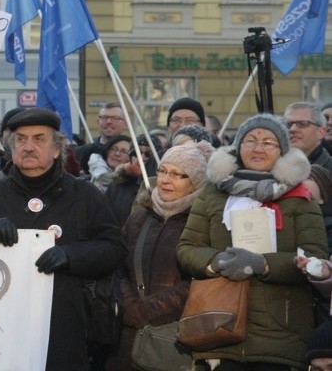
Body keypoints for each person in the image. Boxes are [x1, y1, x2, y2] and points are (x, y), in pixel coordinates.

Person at [0, 108, 126, 370]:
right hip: (0, 325)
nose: (28, 147)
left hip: (66, 326)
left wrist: (71, 255)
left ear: (57, 149)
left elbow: (114, 248)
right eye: (21, 140)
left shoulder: (85, 195)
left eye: (39, 139)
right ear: (12, 148)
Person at [177, 113, 328, 370]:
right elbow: (186, 248)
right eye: (250, 140)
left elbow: (314, 256)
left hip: (281, 335)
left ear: (282, 150)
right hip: (218, 328)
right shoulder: (213, 193)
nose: (258, 148)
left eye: (269, 142)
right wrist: (217, 261)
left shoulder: (300, 196)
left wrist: (262, 264)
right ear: (238, 146)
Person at [105, 141, 214, 370]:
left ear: (196, 182)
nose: (165, 180)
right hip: (127, 337)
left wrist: (149, 310)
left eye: (177, 174)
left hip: (175, 340)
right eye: (163, 171)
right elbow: (117, 266)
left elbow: (202, 280)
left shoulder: (205, 222)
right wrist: (129, 306)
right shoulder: (139, 217)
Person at [104, 132, 163, 227]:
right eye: (136, 153)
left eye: (148, 154)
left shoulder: (162, 188)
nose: (142, 158)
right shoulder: (117, 185)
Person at [76, 102, 128, 173]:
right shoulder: (82, 152)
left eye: (115, 118)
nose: (109, 121)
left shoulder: (134, 153)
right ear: (98, 122)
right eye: (104, 117)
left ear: (125, 124)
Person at [284, 102, 332, 173]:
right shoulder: (273, 167)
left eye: (302, 124)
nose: (292, 129)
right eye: (288, 124)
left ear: (321, 132)